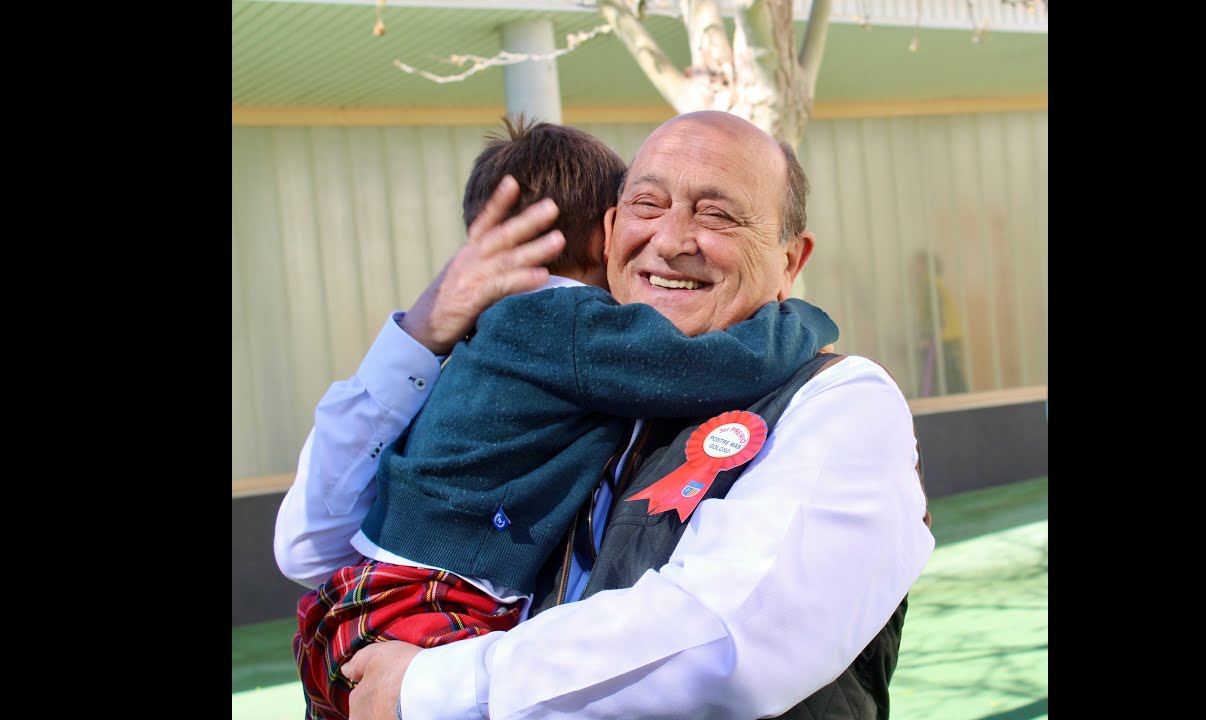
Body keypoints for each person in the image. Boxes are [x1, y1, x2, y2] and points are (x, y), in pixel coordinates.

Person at [275, 111, 936, 719]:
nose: (671, 240)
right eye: (647, 204)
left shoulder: (840, 401)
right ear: (610, 231)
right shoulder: (570, 382)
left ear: (790, 261)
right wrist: (417, 336)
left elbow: (730, 644)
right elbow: (309, 542)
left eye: (717, 215)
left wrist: (429, 687)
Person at [912, 250, 967, 395]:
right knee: (951, 380)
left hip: (942, 340)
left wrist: (927, 338)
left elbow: (936, 313)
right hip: (948, 337)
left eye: (916, 264)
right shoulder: (935, 282)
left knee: (945, 381)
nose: (913, 269)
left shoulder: (928, 283)